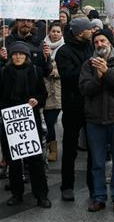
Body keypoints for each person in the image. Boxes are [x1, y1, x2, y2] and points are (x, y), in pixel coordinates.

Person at [80, 28, 114, 213]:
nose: (100, 44)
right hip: (95, 120)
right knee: (97, 162)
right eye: (96, 42)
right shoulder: (88, 64)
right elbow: (85, 88)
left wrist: (107, 72)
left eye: (103, 41)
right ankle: (99, 197)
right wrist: (98, 77)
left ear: (110, 42)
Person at [0, 42, 51, 208]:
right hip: (11, 123)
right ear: (10, 56)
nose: (18, 57)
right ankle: (17, 194)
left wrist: (37, 100)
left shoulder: (35, 71)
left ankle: (41, 195)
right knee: (14, 161)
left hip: (30, 121)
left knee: (35, 160)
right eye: (15, 54)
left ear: (27, 56)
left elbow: (43, 94)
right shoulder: (4, 72)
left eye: (21, 54)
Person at [56, 15, 97, 201]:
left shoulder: (91, 46)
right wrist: (89, 66)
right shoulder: (64, 52)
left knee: (94, 148)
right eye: (89, 29)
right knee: (70, 148)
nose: (92, 31)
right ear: (81, 32)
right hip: (72, 105)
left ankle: (93, 184)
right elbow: (68, 76)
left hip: (91, 104)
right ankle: (67, 185)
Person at [42, 22, 65, 163]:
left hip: (56, 91)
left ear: (62, 33)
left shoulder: (64, 48)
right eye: (53, 31)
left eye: (58, 31)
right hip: (42, 89)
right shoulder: (42, 46)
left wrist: (53, 71)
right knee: (43, 122)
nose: (55, 33)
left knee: (50, 122)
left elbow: (65, 69)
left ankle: (53, 149)